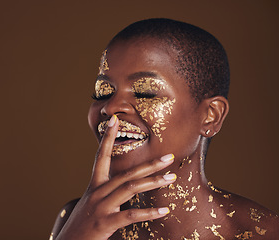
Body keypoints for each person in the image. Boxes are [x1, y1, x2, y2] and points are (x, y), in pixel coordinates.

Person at [50, 18, 279, 240]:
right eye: (103, 92)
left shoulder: (263, 233)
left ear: (211, 116)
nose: (110, 107)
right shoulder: (76, 219)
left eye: (145, 92)